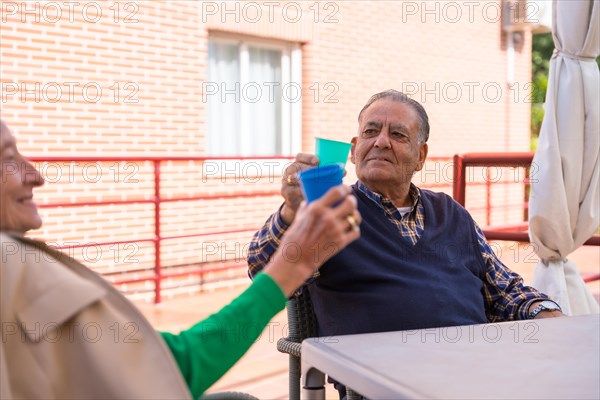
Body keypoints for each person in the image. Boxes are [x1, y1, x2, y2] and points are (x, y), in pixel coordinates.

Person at [0, 119, 361, 399]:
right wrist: (291, 265)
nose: (37, 175)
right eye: (8, 159)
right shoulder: (13, 266)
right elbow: (175, 368)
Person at [248, 90, 563, 386]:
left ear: (421, 156)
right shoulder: (330, 211)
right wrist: (291, 211)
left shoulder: (450, 212)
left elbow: (504, 288)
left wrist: (553, 318)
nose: (381, 142)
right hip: (381, 381)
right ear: (355, 150)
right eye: (371, 133)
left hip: (474, 371)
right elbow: (265, 272)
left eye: (397, 135)